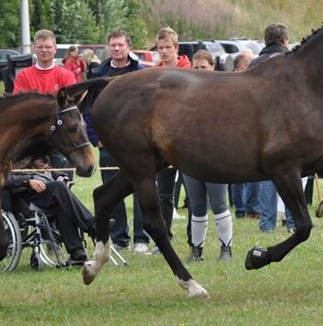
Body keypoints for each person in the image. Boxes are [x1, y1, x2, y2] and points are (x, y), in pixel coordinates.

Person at [84, 29, 149, 253]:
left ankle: (142, 238)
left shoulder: (139, 72)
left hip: (137, 144)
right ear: (108, 47)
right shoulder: (99, 73)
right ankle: (120, 238)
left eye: (121, 45)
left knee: (142, 189)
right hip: (109, 144)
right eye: (113, 45)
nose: (117, 49)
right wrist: (95, 138)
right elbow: (88, 109)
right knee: (113, 192)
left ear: (128, 47)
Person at [183, 50, 233, 261]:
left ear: (212, 67)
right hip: (190, 155)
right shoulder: (184, 93)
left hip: (215, 155)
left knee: (219, 204)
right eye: (196, 67)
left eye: (204, 67)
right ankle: (196, 250)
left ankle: (226, 249)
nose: (200, 71)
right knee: (197, 206)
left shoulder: (223, 92)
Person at [247, 23, 295, 233]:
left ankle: (267, 223)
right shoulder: (291, 61)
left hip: (261, 126)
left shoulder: (255, 64)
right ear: (285, 41)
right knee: (293, 174)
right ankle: (292, 221)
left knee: (268, 177)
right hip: (288, 125)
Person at [4, 157, 95, 265]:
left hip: (45, 188)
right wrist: (28, 180)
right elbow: (4, 178)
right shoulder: (7, 149)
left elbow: (47, 168)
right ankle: (92, 225)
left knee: (60, 200)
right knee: (58, 189)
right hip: (22, 193)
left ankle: (77, 253)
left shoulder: (34, 148)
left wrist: (60, 176)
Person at [13, 29, 77, 177]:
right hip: (32, 140)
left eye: (48, 47)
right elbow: (22, 108)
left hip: (60, 139)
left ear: (55, 49)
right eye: (40, 47)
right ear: (34, 48)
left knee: (63, 183)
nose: (44, 50)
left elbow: (69, 108)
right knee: (31, 183)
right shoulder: (23, 76)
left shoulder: (66, 75)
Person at [151, 26, 191, 255]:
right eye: (160, 48)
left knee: (192, 195)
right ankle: (164, 238)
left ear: (176, 48)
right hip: (164, 143)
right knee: (164, 194)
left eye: (167, 47)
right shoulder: (154, 73)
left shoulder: (189, 70)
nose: (164, 52)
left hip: (188, 142)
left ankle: (194, 240)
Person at [230, 50, 260, 219]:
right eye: (252, 61)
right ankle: (245, 209)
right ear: (243, 65)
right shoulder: (241, 82)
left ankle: (243, 209)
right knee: (240, 176)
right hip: (241, 133)